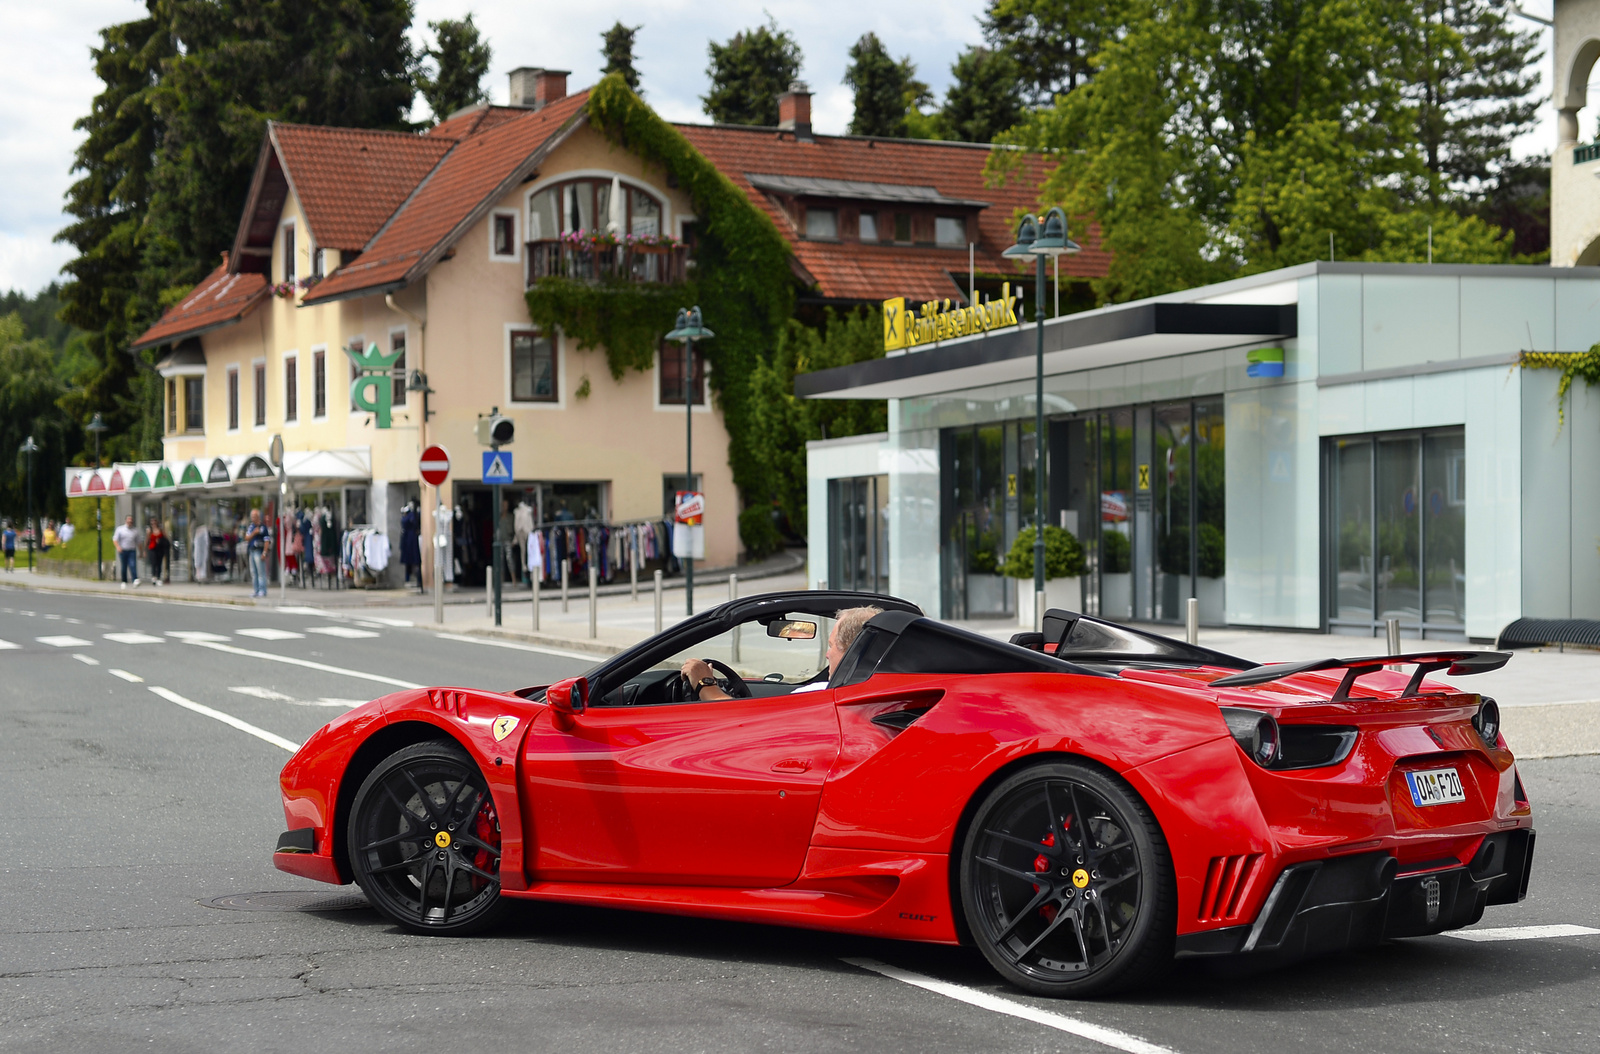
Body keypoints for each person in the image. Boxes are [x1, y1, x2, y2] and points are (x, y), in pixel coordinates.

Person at [679, 605, 883, 702]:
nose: (827, 655)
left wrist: (705, 684)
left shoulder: (821, 697)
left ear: (851, 652)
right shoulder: (885, 696)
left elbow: (748, 723)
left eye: (831, 646)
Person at [243, 508, 269, 597]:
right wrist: (254, 533)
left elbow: (267, 541)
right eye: (252, 516)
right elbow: (246, 538)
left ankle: (263, 590)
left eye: (254, 516)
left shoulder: (263, 527)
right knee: (254, 572)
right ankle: (256, 590)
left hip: (259, 551)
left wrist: (265, 553)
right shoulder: (251, 527)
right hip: (252, 551)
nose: (253, 518)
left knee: (261, 572)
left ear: (258, 516)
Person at [113, 514, 140, 588]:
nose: (130, 522)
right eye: (128, 520)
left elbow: (138, 542)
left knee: (133, 565)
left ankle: (135, 579)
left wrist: (141, 551)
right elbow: (115, 539)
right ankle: (124, 581)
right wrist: (118, 547)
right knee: (124, 566)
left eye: (131, 520)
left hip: (132, 550)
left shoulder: (135, 530)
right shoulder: (120, 529)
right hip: (123, 550)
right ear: (126, 521)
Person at [146, 518, 168, 585]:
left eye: (155, 522)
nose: (153, 524)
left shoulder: (161, 530)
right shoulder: (150, 531)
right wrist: (145, 550)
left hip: (160, 548)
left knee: (159, 563)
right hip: (152, 548)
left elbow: (166, 538)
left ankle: (158, 577)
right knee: (153, 563)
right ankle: (153, 576)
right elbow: (147, 540)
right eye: (152, 523)